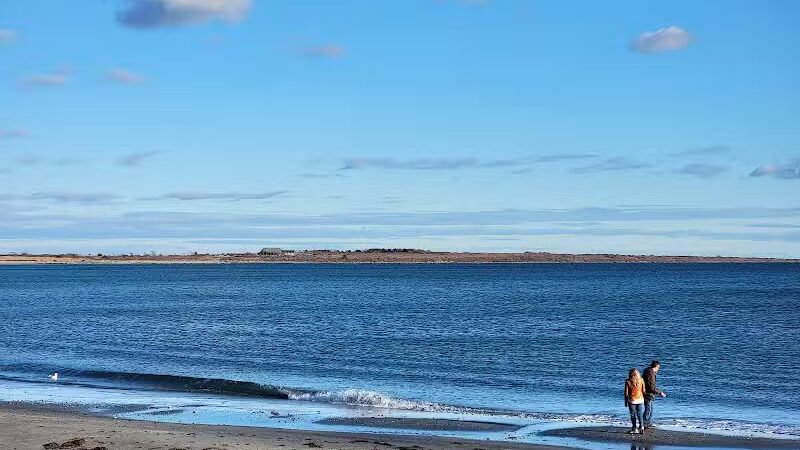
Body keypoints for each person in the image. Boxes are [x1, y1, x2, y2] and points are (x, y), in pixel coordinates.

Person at [643, 360, 667, 429]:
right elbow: (651, 387)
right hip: (648, 394)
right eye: (658, 368)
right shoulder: (651, 373)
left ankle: (648, 423)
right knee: (648, 410)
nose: (658, 369)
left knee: (650, 409)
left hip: (648, 393)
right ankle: (644, 423)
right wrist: (660, 392)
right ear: (656, 366)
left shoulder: (648, 371)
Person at [624, 368, 646, 434]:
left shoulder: (628, 381)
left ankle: (634, 428)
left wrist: (625, 401)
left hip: (632, 400)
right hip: (640, 399)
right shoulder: (641, 380)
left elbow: (626, 393)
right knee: (640, 414)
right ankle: (642, 427)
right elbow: (644, 390)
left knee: (633, 415)